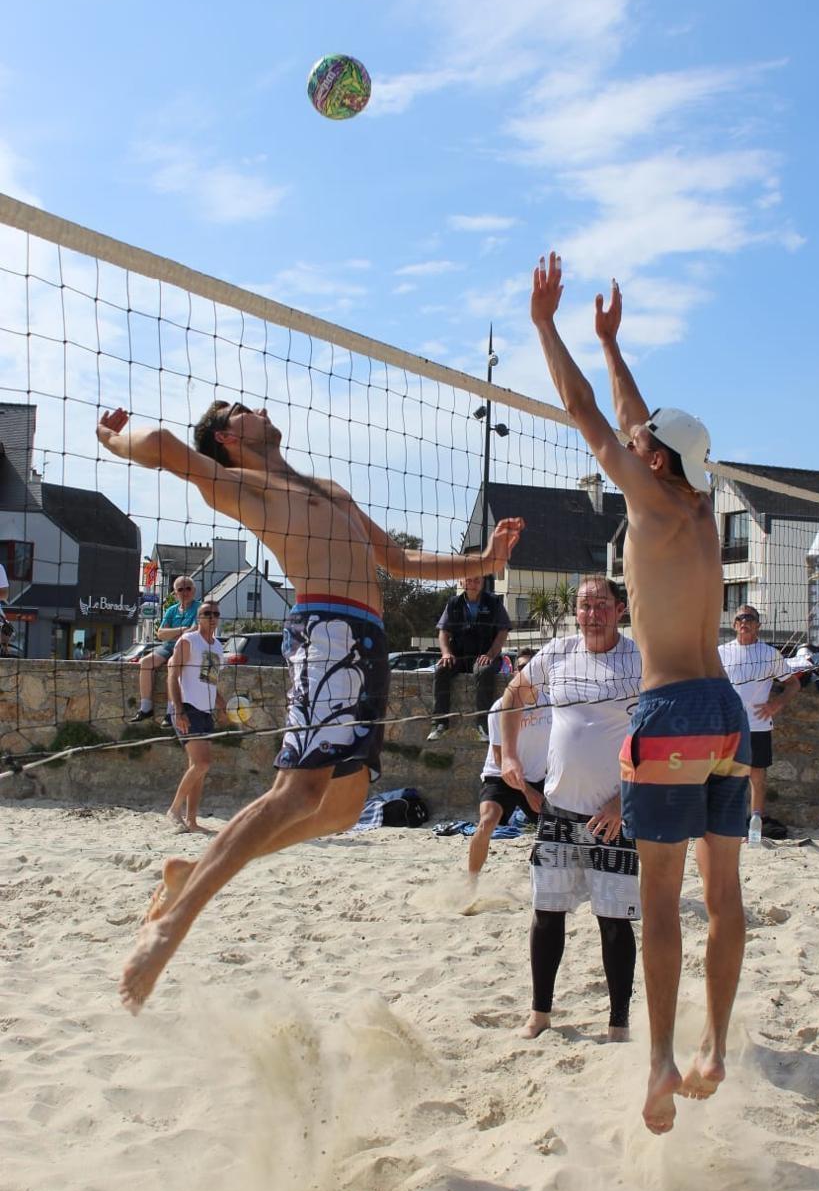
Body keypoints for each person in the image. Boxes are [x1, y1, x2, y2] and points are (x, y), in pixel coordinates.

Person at [96, 401, 524, 1011]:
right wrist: (115, 438)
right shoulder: (247, 485)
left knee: (342, 810)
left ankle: (193, 872)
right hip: (326, 633)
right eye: (244, 410)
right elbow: (164, 446)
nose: (262, 409)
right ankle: (173, 924)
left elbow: (397, 560)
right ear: (227, 437)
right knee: (296, 795)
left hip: (369, 640)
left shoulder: (326, 488)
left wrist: (482, 563)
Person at [531, 254, 750, 1135]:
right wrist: (612, 344)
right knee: (723, 896)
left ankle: (659, 1060)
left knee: (659, 900)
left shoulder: (649, 505)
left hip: (664, 718)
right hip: (725, 718)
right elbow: (629, 415)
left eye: (646, 439)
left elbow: (590, 417)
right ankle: (714, 1050)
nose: (636, 438)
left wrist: (547, 327)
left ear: (657, 457)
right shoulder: (694, 507)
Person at [501, 575, 643, 1043]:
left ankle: (618, 1024)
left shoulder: (639, 658)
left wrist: (625, 799)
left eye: (601, 604)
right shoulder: (558, 652)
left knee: (614, 922)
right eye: (584, 606)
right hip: (559, 811)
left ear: (620, 609)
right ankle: (540, 1014)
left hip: (613, 816)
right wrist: (509, 754)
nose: (592, 613)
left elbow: (659, 737)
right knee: (547, 914)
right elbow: (511, 698)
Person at [468, 647, 550, 877]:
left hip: (537, 778)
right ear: (514, 672)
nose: (527, 672)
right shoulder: (500, 707)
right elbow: (500, 758)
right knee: (486, 823)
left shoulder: (552, 703)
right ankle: (470, 884)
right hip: (501, 776)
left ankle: (549, 881)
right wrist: (528, 792)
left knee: (559, 831)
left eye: (532, 667)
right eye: (522, 668)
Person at [718, 605, 800, 826]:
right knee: (726, 776)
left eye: (749, 618)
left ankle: (755, 823)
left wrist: (776, 703)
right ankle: (727, 823)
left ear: (758, 625)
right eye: (740, 618)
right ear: (734, 624)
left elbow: (793, 684)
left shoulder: (769, 654)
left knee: (756, 776)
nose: (744, 621)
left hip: (758, 724)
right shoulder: (721, 652)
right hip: (727, 726)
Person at [166, 599, 227, 832]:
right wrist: (178, 709)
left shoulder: (218, 647)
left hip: (205, 710)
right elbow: (172, 676)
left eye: (215, 613)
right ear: (198, 617)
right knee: (203, 763)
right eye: (206, 613)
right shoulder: (188, 641)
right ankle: (174, 809)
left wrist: (223, 705)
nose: (211, 617)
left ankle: (191, 821)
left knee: (198, 768)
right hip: (186, 707)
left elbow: (210, 681)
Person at [428, 574, 512, 742]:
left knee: (484, 671)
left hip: (485, 655)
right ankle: (440, 723)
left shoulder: (494, 602)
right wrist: (446, 653)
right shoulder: (453, 603)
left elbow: (503, 630)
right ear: (461, 581)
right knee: (441, 669)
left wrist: (490, 654)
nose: (473, 583)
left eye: (477, 580)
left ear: (483, 582)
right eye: (469, 579)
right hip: (460, 656)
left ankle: (482, 724)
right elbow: (443, 632)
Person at [130, 577, 201, 726]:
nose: (184, 592)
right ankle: (146, 707)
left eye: (188, 588)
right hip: (169, 646)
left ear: (194, 591)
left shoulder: (199, 608)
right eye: (180, 589)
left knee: (172, 664)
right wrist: (181, 630)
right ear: (175, 593)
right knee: (146, 662)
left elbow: (194, 630)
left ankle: (171, 712)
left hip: (187, 647)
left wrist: (173, 632)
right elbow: (160, 634)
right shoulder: (171, 610)